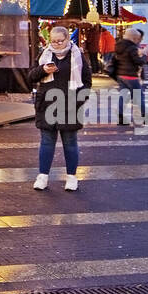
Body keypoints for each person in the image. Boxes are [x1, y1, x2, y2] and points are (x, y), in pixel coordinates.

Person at [29, 23, 92, 191]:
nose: (56, 44)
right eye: (53, 41)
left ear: (67, 39)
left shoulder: (77, 55)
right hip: (47, 103)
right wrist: (43, 70)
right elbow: (31, 76)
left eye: (60, 41)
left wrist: (79, 101)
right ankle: (42, 176)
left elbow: (87, 81)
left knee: (70, 142)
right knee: (46, 141)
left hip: (70, 104)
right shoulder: (45, 54)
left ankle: (71, 177)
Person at [113, 26, 148, 127]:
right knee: (139, 96)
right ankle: (145, 118)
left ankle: (120, 117)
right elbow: (139, 61)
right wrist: (145, 53)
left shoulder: (119, 45)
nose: (138, 41)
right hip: (130, 75)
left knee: (122, 96)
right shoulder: (131, 47)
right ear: (133, 38)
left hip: (120, 74)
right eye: (137, 39)